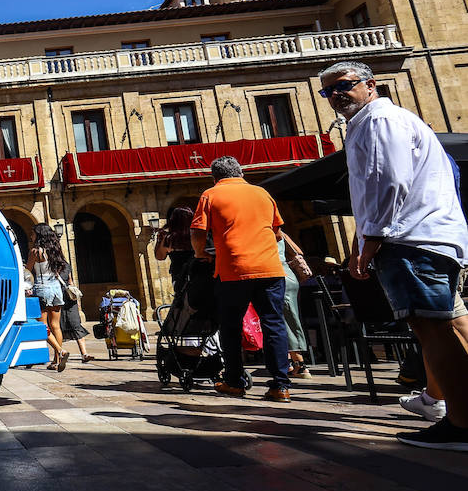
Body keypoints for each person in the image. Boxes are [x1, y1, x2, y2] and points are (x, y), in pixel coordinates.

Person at [321, 60, 468, 450]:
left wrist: (371, 239)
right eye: (328, 91)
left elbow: (387, 181)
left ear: (371, 84)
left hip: (409, 240)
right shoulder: (382, 121)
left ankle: (462, 422)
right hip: (428, 237)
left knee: (430, 328)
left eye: (344, 86)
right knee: (453, 324)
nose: (336, 95)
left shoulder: (378, 121)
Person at [191, 156, 291, 402]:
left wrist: (200, 252)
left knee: (231, 326)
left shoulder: (211, 195)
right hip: (270, 269)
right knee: (274, 325)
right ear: (241, 173)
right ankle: (281, 386)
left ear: (215, 177)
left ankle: (234, 381)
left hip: (234, 270)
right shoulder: (262, 194)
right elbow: (277, 232)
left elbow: (197, 231)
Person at [26, 222, 68, 371]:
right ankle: (57, 361)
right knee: (56, 325)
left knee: (42, 326)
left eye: (33, 233)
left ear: (39, 234)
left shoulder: (36, 252)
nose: (31, 236)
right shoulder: (55, 250)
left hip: (42, 289)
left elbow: (28, 271)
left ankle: (60, 351)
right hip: (56, 288)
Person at [277, 230, 314, 379]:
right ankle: (289, 364)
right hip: (289, 276)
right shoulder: (278, 231)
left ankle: (300, 365)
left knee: (286, 322)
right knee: (286, 320)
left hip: (278, 277)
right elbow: (297, 251)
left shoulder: (260, 232)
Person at [152, 206, 196, 294]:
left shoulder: (169, 237)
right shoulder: (197, 235)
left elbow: (160, 256)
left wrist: (162, 240)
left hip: (179, 275)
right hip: (200, 272)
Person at [58, 261, 93, 363]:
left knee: (76, 324)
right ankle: (59, 354)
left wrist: (76, 298)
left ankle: (84, 354)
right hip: (57, 299)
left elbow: (70, 281)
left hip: (68, 299)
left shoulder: (65, 265)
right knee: (58, 327)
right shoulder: (50, 265)